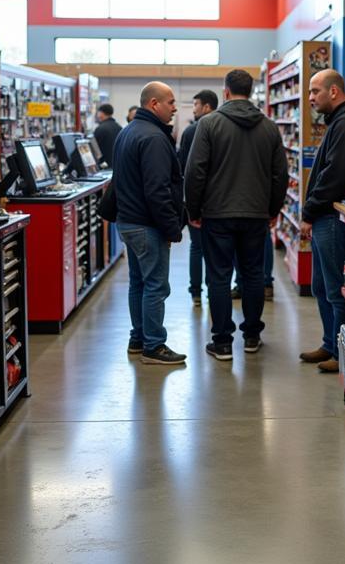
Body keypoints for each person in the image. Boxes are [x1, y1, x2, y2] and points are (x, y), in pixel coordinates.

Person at [185, 70, 288, 360]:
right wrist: (273, 210)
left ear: (226, 91)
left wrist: (193, 210)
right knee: (253, 274)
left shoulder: (209, 124)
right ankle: (253, 336)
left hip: (217, 214)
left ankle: (222, 343)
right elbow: (280, 174)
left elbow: (195, 172)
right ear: (251, 90)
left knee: (218, 277)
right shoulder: (269, 127)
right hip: (256, 214)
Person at [299, 69, 345, 373]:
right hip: (325, 216)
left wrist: (309, 211)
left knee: (335, 290)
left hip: (333, 217)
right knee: (321, 286)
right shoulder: (341, 122)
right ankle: (330, 343)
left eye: (315, 91)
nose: (310, 98)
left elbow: (334, 177)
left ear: (334, 91)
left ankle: (343, 352)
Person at [111, 82, 185, 365]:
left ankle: (138, 338)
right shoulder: (154, 137)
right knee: (156, 285)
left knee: (138, 283)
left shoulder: (127, 132)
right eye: (170, 102)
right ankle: (154, 346)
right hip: (147, 224)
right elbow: (157, 190)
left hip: (128, 222)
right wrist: (171, 228)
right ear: (154, 104)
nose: (174, 107)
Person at [177, 89, 220, 307]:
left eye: (195, 105)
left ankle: (195, 292)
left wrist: (190, 206)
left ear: (206, 106)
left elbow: (185, 169)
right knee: (215, 249)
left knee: (197, 247)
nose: (193, 109)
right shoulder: (224, 128)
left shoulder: (191, 131)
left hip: (196, 200)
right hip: (218, 202)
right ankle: (214, 290)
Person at [93, 102, 122, 167]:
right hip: (118, 164)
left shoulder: (100, 129)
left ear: (101, 113)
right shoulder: (119, 127)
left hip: (105, 166)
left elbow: (94, 149)